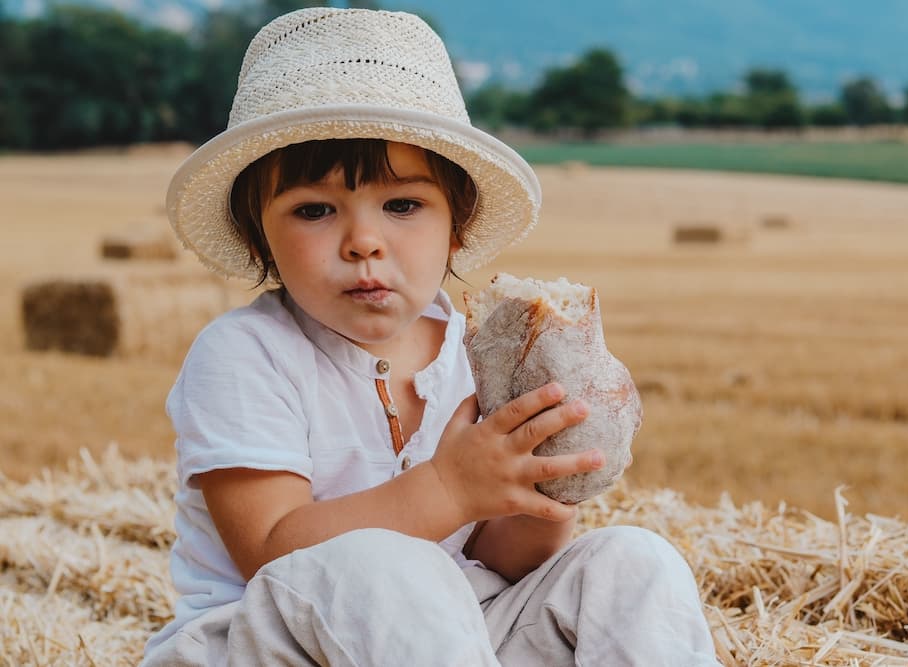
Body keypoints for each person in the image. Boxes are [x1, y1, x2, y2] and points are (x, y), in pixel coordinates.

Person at [142, 7, 720, 666]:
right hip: (271, 643)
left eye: (402, 205)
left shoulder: (473, 353)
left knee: (633, 561)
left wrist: (542, 489)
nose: (364, 242)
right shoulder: (244, 356)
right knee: (387, 569)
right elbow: (274, 548)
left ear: (458, 226)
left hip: (458, 631)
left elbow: (495, 557)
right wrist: (448, 488)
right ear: (258, 236)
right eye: (314, 210)